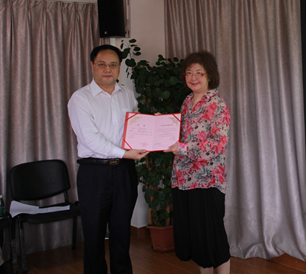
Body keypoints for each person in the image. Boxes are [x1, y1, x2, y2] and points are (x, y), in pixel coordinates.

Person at [68, 45, 149, 274]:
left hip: (124, 172)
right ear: (92, 66)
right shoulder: (80, 98)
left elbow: (135, 129)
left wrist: (149, 134)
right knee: (93, 236)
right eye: (102, 64)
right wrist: (125, 153)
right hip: (94, 173)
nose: (107, 69)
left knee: (122, 234)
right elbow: (90, 139)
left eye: (113, 65)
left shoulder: (128, 95)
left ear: (119, 68)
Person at [166, 51, 231, 274]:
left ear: (209, 76)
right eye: (189, 73)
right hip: (183, 179)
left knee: (213, 238)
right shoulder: (187, 102)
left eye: (199, 73)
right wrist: (160, 129)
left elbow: (217, 145)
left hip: (207, 180)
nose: (193, 78)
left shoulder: (217, 104)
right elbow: (179, 136)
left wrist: (184, 148)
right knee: (198, 240)